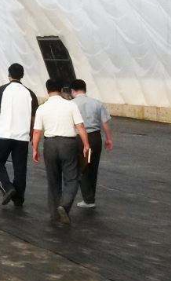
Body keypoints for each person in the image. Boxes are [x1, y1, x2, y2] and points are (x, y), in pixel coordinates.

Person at [32, 78, 92, 224]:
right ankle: (64, 206)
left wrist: (35, 149)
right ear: (61, 89)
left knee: (53, 181)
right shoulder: (70, 105)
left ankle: (54, 215)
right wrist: (86, 145)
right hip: (68, 144)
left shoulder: (42, 108)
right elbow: (80, 126)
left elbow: (37, 131)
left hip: (50, 144)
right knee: (71, 178)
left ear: (47, 90)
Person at [0, 63, 39, 207]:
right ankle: (19, 199)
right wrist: (32, 135)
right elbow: (33, 117)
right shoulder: (30, 93)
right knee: (20, 168)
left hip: (4, 134)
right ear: (22, 75)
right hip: (22, 137)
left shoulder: (2, 90)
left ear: (9, 75)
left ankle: (7, 187)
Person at [70, 79, 113, 208]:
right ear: (85, 89)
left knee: (82, 167)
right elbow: (105, 123)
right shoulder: (97, 103)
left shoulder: (71, 104)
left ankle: (88, 199)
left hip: (79, 138)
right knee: (93, 167)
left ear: (73, 91)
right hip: (95, 137)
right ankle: (91, 197)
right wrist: (109, 139)